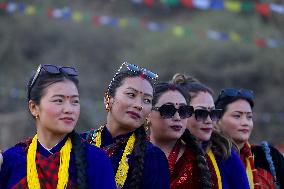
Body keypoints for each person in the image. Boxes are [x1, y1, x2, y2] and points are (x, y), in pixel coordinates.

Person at [0, 64, 116, 189]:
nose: (69, 109)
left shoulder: (95, 159)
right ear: (34, 107)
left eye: (75, 101)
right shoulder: (11, 160)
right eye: (59, 100)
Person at [82, 62, 170, 189]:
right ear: (108, 98)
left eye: (147, 100)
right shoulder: (78, 143)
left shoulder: (154, 158)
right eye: (131, 95)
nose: (139, 105)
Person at [171, 73, 250, 189]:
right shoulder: (159, 152)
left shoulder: (226, 155)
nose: (209, 120)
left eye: (213, 113)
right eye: (201, 113)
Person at [215, 88, 284, 189]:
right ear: (217, 119)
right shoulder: (208, 158)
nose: (245, 123)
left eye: (249, 117)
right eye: (237, 116)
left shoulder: (268, 157)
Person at [148, 82, 197, 188]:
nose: (177, 117)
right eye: (168, 110)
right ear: (148, 114)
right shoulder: (127, 154)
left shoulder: (198, 160)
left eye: (183, 111)